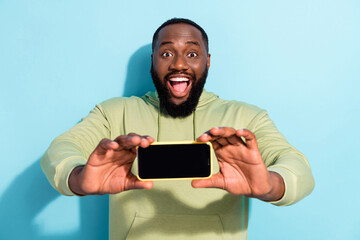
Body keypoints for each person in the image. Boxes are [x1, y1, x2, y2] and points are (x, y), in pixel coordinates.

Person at [41, 18, 315, 240]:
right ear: (153, 61)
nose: (179, 64)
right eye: (167, 53)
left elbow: (298, 168)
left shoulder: (246, 118)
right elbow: (59, 150)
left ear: (207, 61)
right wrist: (77, 178)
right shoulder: (115, 113)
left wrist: (270, 185)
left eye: (192, 53)